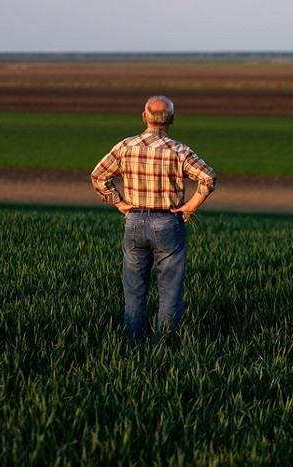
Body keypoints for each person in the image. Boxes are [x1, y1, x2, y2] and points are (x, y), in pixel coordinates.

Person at [91, 95, 216, 342]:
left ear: (144, 116)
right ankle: (164, 346)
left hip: (134, 221)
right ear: (172, 119)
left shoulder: (125, 146)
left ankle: (134, 344)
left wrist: (119, 203)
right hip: (168, 222)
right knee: (170, 291)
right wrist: (190, 206)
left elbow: (98, 176)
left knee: (134, 290)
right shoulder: (179, 151)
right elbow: (208, 179)